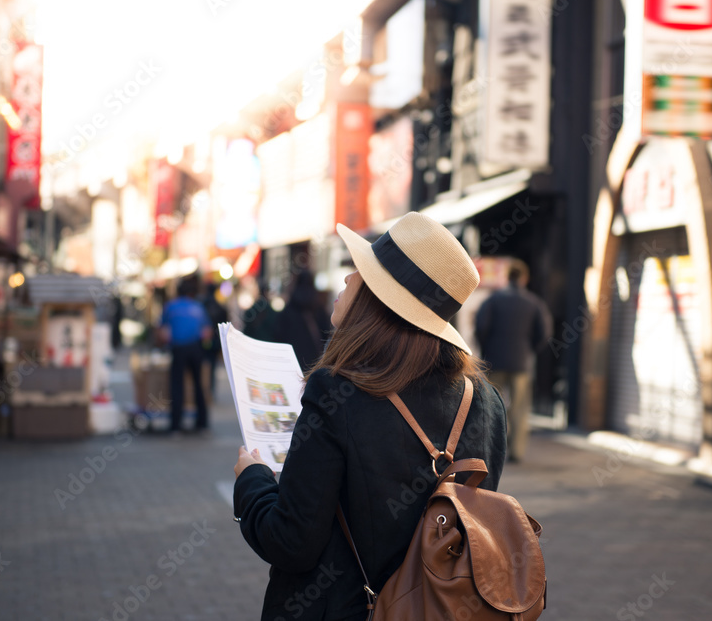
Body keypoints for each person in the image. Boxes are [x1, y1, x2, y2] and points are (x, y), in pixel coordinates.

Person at [233, 212, 508, 620]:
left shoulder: (336, 392)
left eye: (359, 271)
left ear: (380, 299)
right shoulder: (486, 402)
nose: (346, 279)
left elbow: (291, 541)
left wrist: (251, 481)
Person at [475, 258, 554, 463]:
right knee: (519, 408)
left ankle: (492, 447)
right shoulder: (534, 303)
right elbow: (544, 332)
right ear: (525, 278)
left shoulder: (493, 301)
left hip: (494, 361)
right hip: (522, 363)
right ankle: (516, 451)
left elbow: (481, 327)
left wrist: (486, 350)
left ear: (507, 277)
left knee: (493, 406)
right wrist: (530, 351)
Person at [160, 275, 211, 433]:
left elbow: (163, 332)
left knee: (177, 386)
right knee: (198, 385)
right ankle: (202, 424)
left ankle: (175, 425)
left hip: (178, 348)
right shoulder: (198, 307)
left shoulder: (170, 306)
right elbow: (207, 332)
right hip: (195, 348)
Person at [272, 269, 332, 372]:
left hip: (292, 360)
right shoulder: (318, 306)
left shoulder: (289, 308)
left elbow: (278, 335)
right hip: (314, 360)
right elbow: (326, 333)